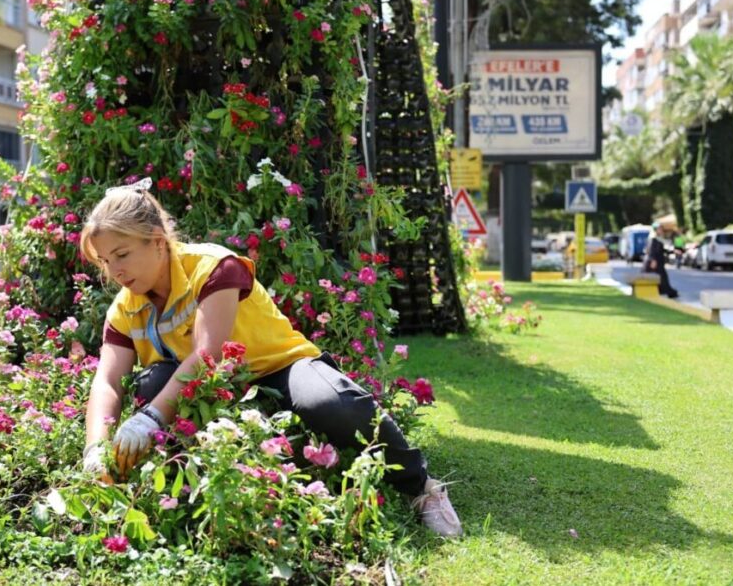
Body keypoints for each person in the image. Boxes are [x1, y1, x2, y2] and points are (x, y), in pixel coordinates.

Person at [76, 182, 463, 537]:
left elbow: (207, 354)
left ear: (158, 241)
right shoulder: (125, 309)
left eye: (122, 254)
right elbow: (107, 382)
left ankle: (420, 487)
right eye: (105, 261)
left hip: (280, 369)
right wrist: (95, 449)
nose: (115, 271)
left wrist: (149, 418)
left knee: (332, 404)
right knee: (151, 384)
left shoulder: (213, 267)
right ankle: (187, 497)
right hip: (217, 393)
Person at [643, 221, 679, 298]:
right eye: (659, 229)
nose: (661, 230)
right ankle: (670, 293)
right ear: (655, 230)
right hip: (655, 263)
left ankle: (669, 292)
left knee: (662, 279)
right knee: (660, 279)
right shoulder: (653, 239)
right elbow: (652, 250)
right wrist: (653, 260)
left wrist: (673, 251)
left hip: (658, 263)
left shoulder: (657, 239)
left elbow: (662, 250)